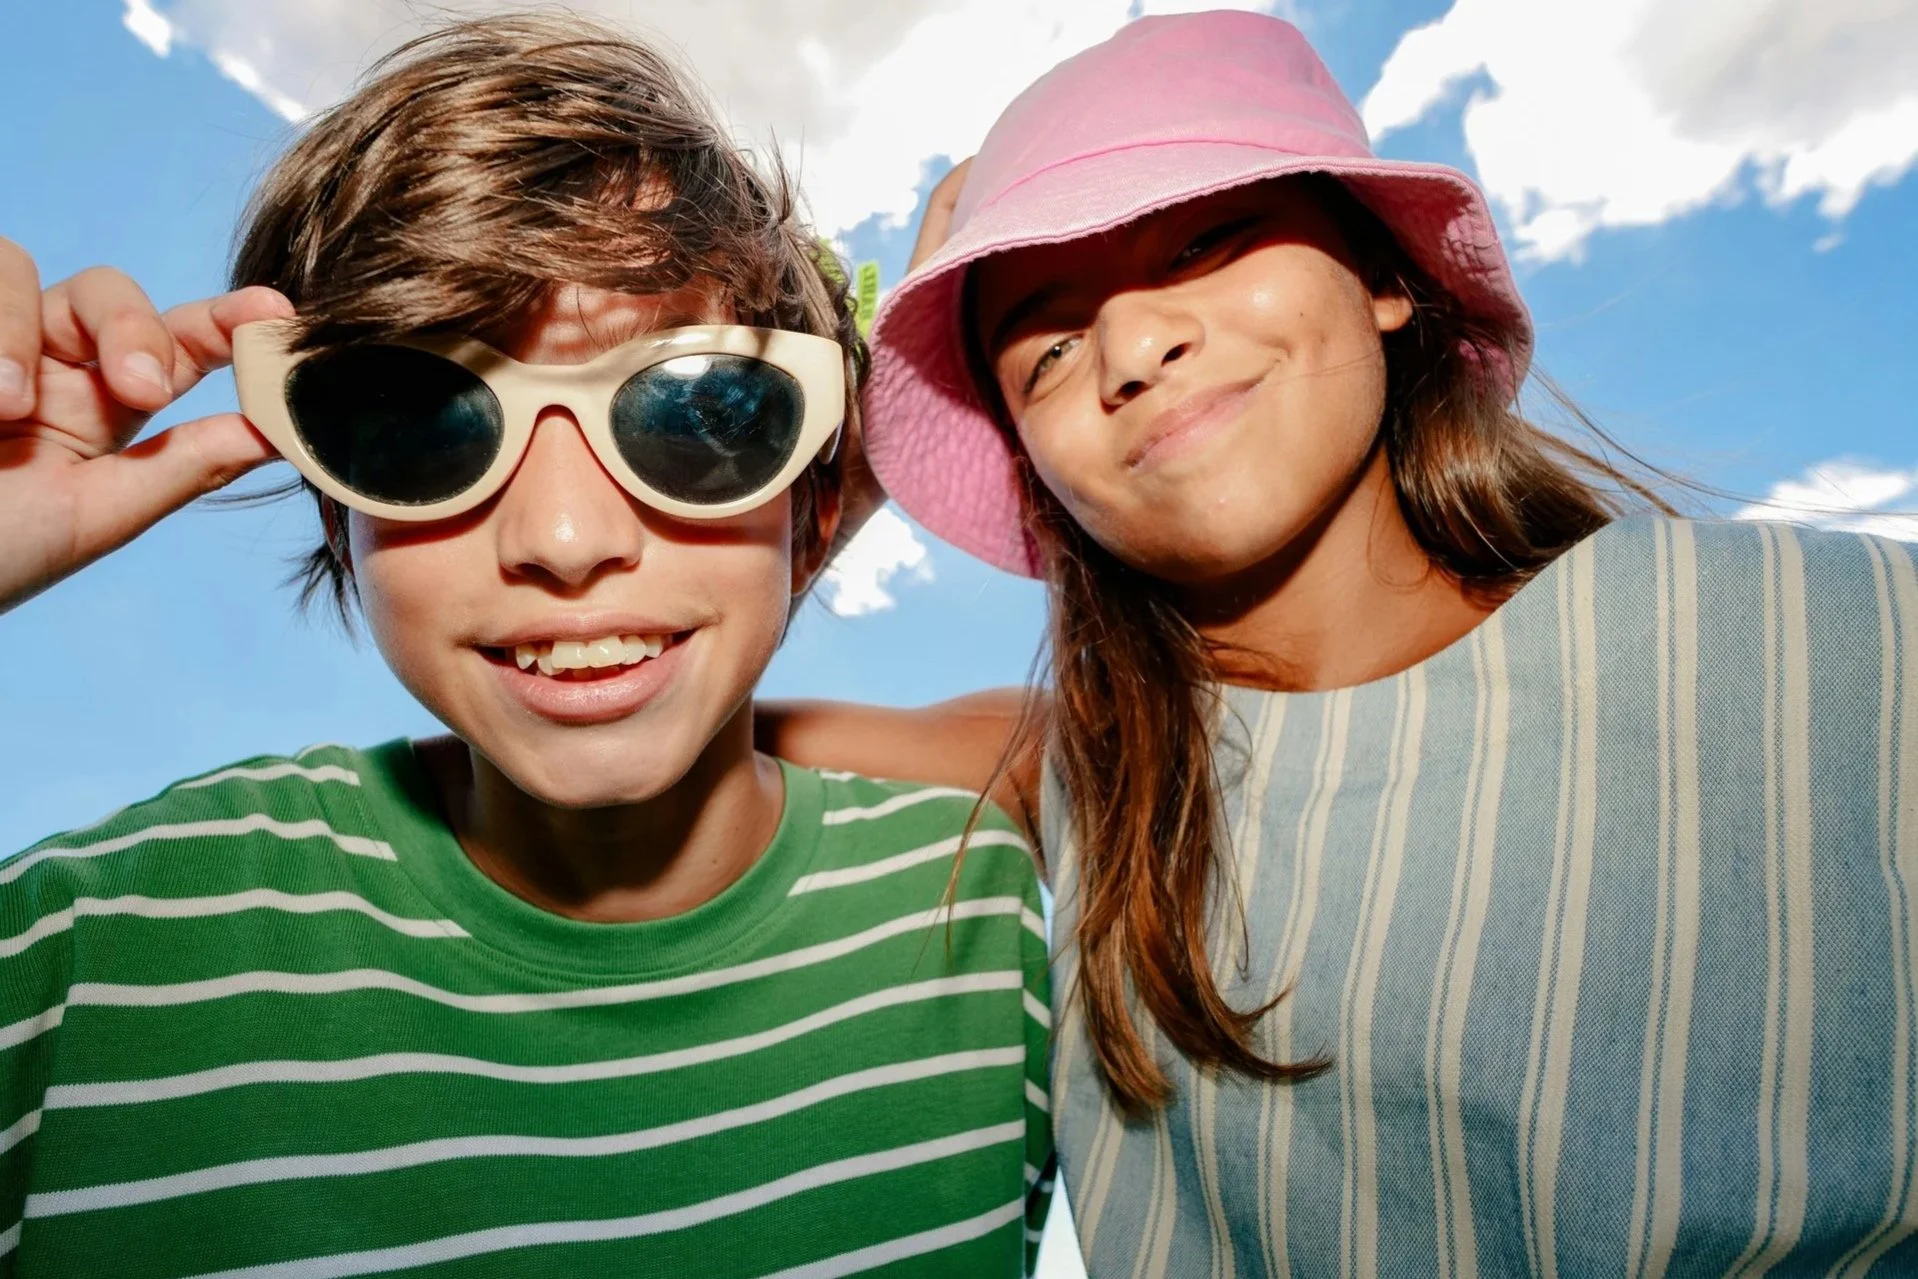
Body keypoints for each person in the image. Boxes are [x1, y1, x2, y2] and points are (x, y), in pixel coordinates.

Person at [762, 10, 1918, 1275]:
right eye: (1042, 348)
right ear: (1033, 469)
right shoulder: (1085, 767)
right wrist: (855, 454)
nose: (1133, 342)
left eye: (1205, 236)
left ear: (1382, 277)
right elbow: (615, 720)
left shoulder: (1840, 632)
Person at [0, 16, 1049, 1276]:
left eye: (699, 411)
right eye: (422, 423)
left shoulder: (977, 920)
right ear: (337, 514)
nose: (561, 534)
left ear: (819, 499)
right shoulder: (94, 963)